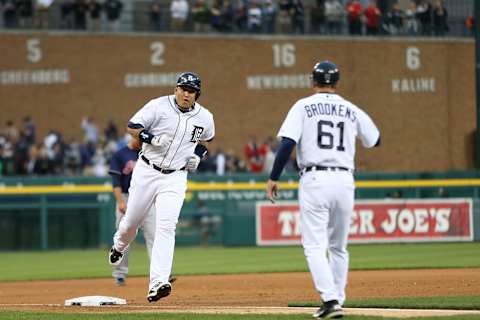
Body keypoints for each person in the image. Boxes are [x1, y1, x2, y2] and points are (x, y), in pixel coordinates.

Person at [265, 60, 380, 319]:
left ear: (312, 81)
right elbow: (375, 140)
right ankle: (337, 298)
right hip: (344, 180)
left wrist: (274, 177)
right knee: (339, 246)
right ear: (337, 83)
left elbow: (287, 145)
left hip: (315, 179)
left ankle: (329, 300)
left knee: (315, 244)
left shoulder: (303, 106)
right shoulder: (351, 108)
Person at [108, 72, 215, 302]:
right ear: (176, 89)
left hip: (175, 177)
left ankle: (157, 282)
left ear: (197, 95)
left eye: (191, 90)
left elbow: (206, 141)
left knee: (166, 228)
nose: (186, 93)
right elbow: (132, 126)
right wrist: (149, 138)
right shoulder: (158, 105)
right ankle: (118, 245)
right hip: (147, 170)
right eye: (183, 88)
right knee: (131, 223)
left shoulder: (205, 117)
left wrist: (199, 155)